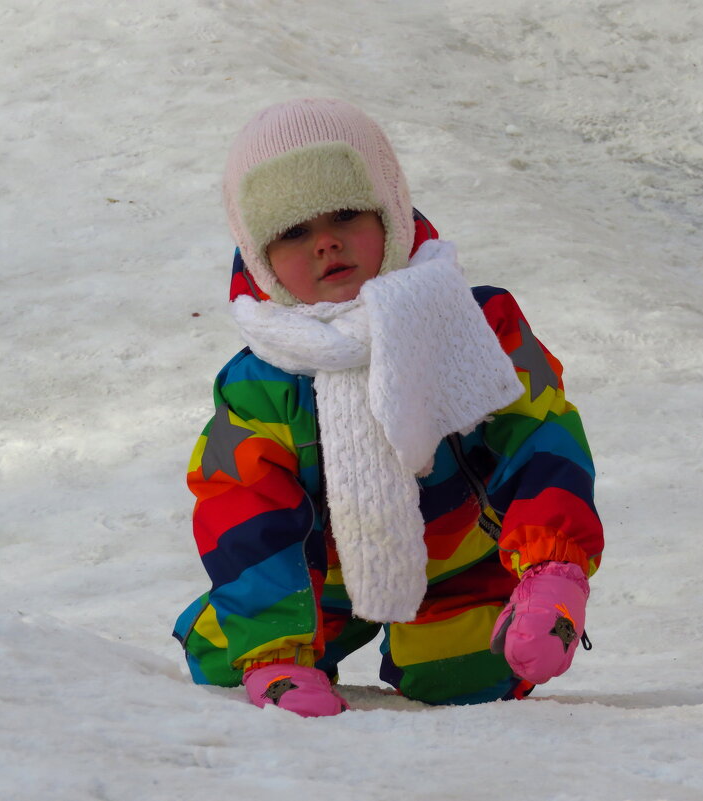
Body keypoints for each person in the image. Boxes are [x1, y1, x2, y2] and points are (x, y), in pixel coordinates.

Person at [173, 98, 603, 717]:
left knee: (464, 676)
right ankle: (281, 649)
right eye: (293, 231)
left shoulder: (474, 323)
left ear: (392, 212)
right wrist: (273, 655)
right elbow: (244, 510)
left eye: (346, 214)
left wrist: (554, 568)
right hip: (320, 577)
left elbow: (542, 439)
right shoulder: (259, 383)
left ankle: (494, 619)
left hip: (459, 562)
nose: (325, 243)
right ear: (259, 254)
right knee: (220, 658)